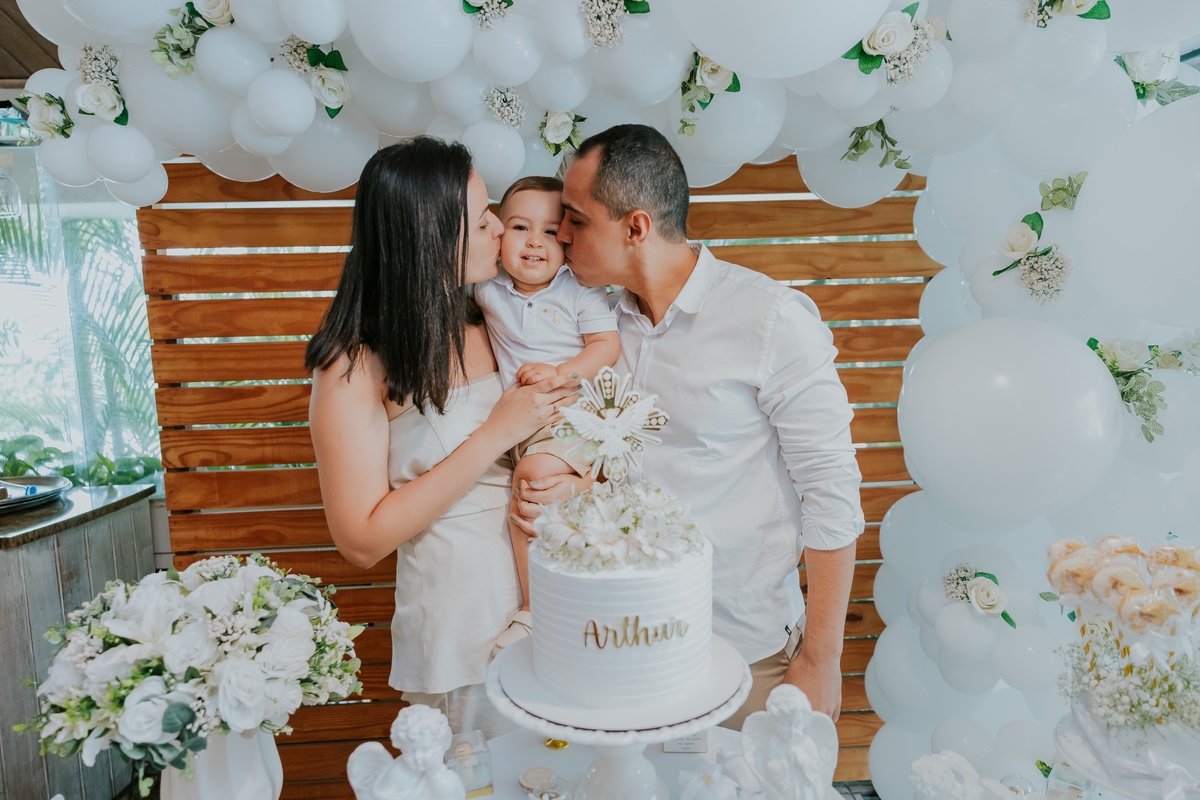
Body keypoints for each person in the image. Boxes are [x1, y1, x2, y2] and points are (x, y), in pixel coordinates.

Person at [521, 123, 866, 730]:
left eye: (575, 219)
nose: (561, 235)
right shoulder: (597, 330)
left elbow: (831, 492)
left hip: (747, 652)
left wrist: (820, 660)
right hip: (622, 644)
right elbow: (623, 464)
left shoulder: (771, 319)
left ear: (636, 228)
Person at [306, 138, 578, 738]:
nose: (499, 231)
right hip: (462, 620)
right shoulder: (354, 364)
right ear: (428, 237)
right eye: (481, 222)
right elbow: (360, 540)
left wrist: (572, 481)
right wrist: (494, 434)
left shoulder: (494, 317)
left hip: (554, 600)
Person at [474, 176, 619, 652]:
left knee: (534, 481)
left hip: (568, 417)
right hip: (519, 424)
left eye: (550, 230)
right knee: (523, 505)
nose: (534, 241)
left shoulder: (579, 291)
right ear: (498, 236)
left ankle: (536, 610)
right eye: (520, 227)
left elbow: (606, 346)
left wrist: (560, 373)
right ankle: (556, 600)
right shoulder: (487, 288)